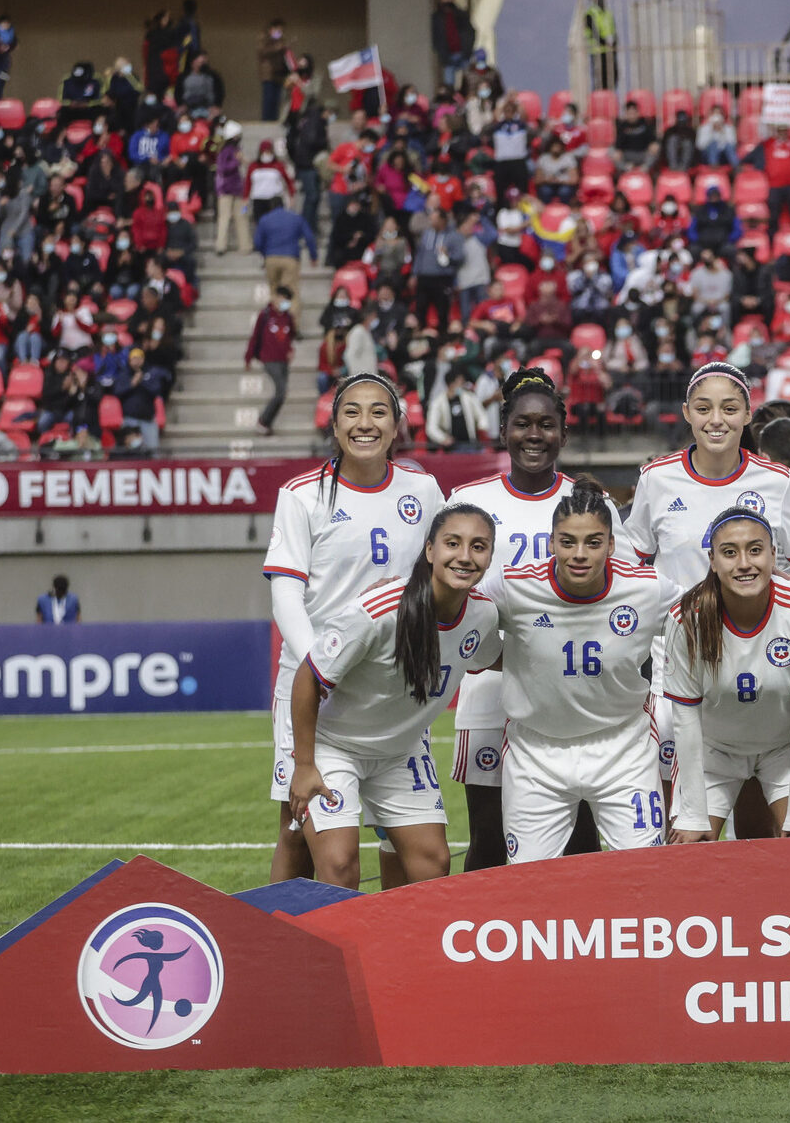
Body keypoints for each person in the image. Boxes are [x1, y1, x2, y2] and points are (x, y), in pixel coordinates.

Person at [261, 372, 447, 886]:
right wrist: (322, 665)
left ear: (397, 426)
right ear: (334, 423)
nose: (365, 423)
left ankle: (396, 952)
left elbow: (445, 573)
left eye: (378, 412)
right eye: (352, 412)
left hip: (394, 690)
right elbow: (285, 594)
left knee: (401, 839)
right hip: (315, 689)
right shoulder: (302, 495)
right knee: (299, 832)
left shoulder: (424, 489)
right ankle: (276, 949)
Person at [447, 370, 627, 869]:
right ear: (503, 430)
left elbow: (625, 590)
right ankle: (483, 944)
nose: (534, 435)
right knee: (487, 838)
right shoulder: (469, 502)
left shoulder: (593, 505)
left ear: (563, 434)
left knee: (579, 842)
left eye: (546, 425)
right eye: (522, 423)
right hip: (490, 690)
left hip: (575, 697)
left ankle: (575, 946)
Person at [626, 363, 790, 823]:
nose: (717, 419)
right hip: (678, 659)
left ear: (748, 415)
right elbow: (633, 563)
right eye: (705, 408)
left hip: (759, 655)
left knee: (755, 803)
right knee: (679, 810)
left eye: (730, 409)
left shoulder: (775, 480)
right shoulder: (657, 478)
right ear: (687, 413)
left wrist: (785, 612)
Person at [288, 504, 500, 889]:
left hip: (401, 751)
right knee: (338, 865)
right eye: (453, 543)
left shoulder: (483, 616)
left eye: (479, 546)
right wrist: (304, 765)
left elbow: (496, 659)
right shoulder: (379, 610)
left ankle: (400, 949)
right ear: (431, 550)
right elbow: (307, 677)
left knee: (433, 864)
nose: (465, 556)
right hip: (335, 746)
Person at [486, 477, 674, 860]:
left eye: (593, 542)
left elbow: (706, 618)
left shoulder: (649, 588)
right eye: (568, 541)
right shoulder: (512, 586)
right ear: (552, 542)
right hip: (536, 752)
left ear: (611, 545)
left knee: (648, 873)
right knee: (528, 883)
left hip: (624, 748)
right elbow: (456, 613)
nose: (579, 554)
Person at [664, 507, 790, 841]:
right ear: (712, 561)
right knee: (687, 855)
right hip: (713, 751)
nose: (744, 563)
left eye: (755, 550)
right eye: (729, 553)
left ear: (774, 555)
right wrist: (693, 814)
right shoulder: (687, 617)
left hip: (785, 748)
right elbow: (685, 721)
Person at [254, 200, 317, 326]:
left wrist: (265, 254)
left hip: (271, 258)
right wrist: (313, 256)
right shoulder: (296, 218)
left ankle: (275, 323)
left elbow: (257, 242)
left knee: (274, 291)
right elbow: (309, 237)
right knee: (291, 292)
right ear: (285, 205)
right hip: (290, 258)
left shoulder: (265, 219)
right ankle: (292, 326)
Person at [246, 287, 297, 435]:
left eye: (287, 299)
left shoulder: (288, 317)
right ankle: (263, 421)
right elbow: (255, 336)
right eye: (282, 298)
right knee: (281, 391)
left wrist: (290, 350)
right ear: (275, 298)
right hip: (269, 359)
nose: (284, 302)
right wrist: (248, 357)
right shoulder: (265, 315)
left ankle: (266, 424)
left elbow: (291, 335)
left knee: (283, 393)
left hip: (283, 360)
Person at [584, 0, 619, 92]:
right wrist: (605, 42)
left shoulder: (608, 13)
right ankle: (599, 100)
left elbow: (614, 30)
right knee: (600, 80)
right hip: (597, 52)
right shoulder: (590, 14)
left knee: (613, 77)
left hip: (610, 52)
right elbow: (594, 33)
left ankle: (609, 99)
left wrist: (614, 43)